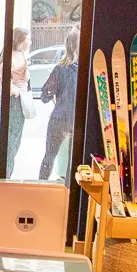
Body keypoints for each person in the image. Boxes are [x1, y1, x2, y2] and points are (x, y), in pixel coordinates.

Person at [0, 27, 30, 177]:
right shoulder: (12, 57)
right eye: (28, 39)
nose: (30, 42)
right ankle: (4, 174)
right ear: (21, 40)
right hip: (13, 102)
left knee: (3, 138)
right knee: (11, 142)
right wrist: (11, 89)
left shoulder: (14, 55)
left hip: (12, 101)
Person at [37, 30, 80, 180]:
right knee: (73, 160)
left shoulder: (61, 68)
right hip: (76, 120)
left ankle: (40, 187)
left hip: (59, 118)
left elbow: (44, 95)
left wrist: (54, 94)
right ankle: (68, 194)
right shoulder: (85, 69)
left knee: (49, 156)